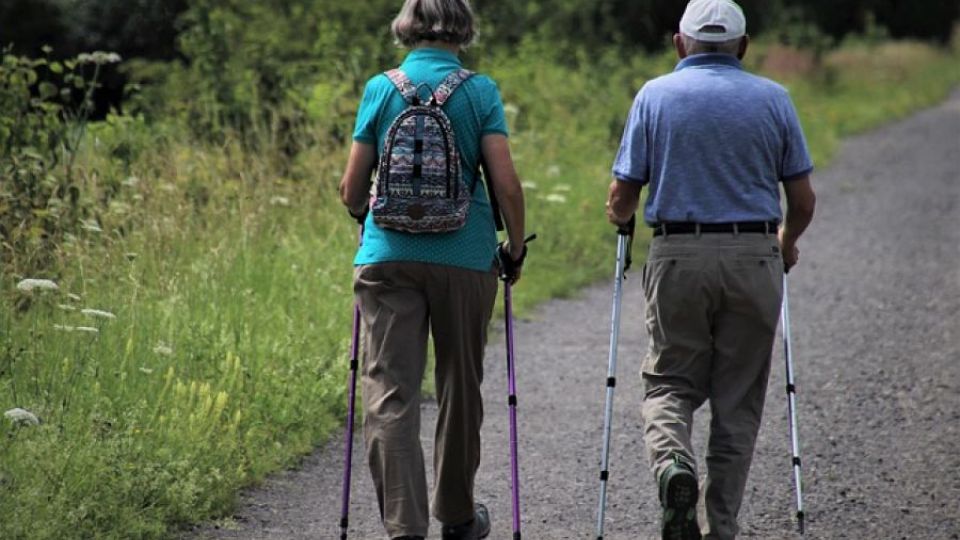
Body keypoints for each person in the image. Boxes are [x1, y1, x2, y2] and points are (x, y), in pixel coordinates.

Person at [605, 1, 816, 539]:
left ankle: (674, 464)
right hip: (754, 256)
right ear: (743, 47)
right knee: (737, 401)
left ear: (681, 43)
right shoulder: (774, 99)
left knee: (669, 382)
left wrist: (620, 216)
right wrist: (785, 243)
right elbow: (803, 198)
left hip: (679, 255)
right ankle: (721, 526)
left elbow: (623, 194)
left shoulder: (655, 95)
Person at [338, 1, 526, 539]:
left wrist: (364, 214)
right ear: (463, 30)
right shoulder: (480, 91)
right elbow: (506, 184)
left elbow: (353, 190)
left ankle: (405, 528)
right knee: (459, 386)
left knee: (391, 392)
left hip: (388, 258)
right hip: (465, 257)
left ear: (406, 28)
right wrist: (513, 247)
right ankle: (459, 517)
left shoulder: (381, 88)